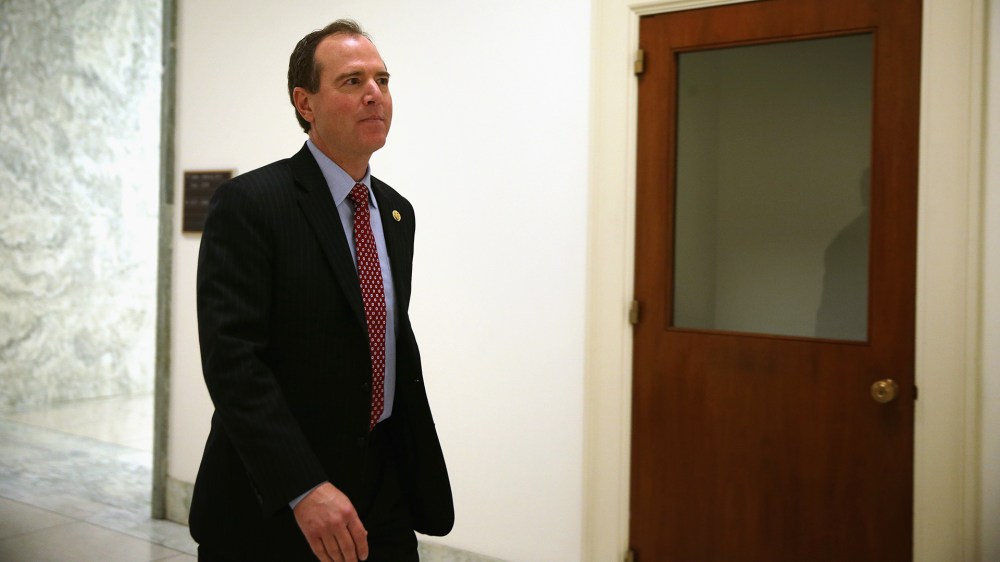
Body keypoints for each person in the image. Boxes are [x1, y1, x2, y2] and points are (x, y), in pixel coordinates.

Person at [189, 19, 453, 562]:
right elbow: (234, 362)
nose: (375, 93)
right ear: (305, 103)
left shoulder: (396, 212)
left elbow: (383, 334)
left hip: (382, 485)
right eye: (352, 81)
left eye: (382, 79)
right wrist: (302, 486)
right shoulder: (253, 204)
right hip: (275, 499)